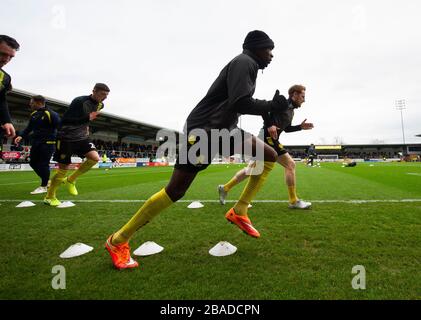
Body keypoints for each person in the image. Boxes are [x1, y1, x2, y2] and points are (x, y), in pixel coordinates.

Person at [105, 30, 289, 269]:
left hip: (225, 130)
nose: (271, 55)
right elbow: (239, 102)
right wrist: (269, 105)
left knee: (269, 155)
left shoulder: (249, 65)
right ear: (256, 48)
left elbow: (237, 103)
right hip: (205, 131)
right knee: (176, 190)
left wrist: (269, 109)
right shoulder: (245, 62)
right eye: (269, 49)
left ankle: (239, 210)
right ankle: (117, 240)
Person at [218, 85, 313, 210]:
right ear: (294, 94)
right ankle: (293, 200)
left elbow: (287, 128)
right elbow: (264, 110)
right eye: (302, 96)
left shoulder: (291, 111)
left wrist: (300, 127)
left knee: (252, 169)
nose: (304, 100)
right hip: (266, 138)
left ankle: (225, 188)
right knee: (290, 165)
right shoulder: (283, 102)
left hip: (271, 139)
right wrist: (269, 125)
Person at [44, 83, 110, 206]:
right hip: (66, 137)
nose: (105, 97)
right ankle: (49, 196)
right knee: (63, 169)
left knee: (94, 158)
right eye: (102, 94)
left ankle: (71, 180)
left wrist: (87, 125)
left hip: (82, 137)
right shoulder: (79, 101)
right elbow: (65, 120)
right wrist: (87, 118)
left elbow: (88, 119)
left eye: (106, 95)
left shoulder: (101, 105)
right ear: (94, 91)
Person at [14, 95, 60, 194]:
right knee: (32, 163)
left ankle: (43, 186)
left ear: (39, 103)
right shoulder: (34, 114)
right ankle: (47, 181)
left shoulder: (50, 113)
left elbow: (60, 127)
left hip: (48, 143)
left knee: (43, 164)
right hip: (36, 143)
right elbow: (29, 128)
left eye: (32, 103)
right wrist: (21, 136)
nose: (30, 104)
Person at [0, 35, 20, 142]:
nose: (6, 60)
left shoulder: (5, 78)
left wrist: (7, 121)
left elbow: (1, 100)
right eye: (2, 54)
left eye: (10, 57)